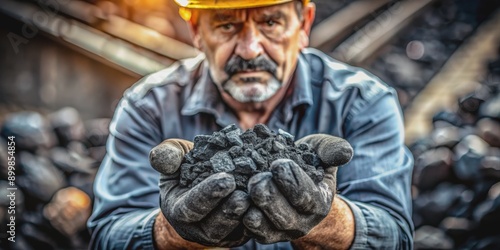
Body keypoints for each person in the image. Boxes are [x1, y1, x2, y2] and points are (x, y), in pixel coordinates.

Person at [87, 0, 414, 249]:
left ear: (304, 25)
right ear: (197, 32)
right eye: (226, 25)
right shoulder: (148, 106)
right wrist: (172, 232)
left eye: (271, 22)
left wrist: (324, 218)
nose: (249, 49)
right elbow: (107, 235)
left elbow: (395, 235)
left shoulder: (362, 102)